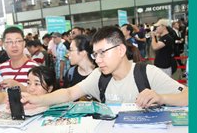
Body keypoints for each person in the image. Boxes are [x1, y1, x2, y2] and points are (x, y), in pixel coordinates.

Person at [22, 26, 189, 108]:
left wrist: (161, 98)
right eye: (95, 54)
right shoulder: (99, 76)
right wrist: (38, 100)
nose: (98, 60)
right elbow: (69, 93)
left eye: (103, 53)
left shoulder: (147, 73)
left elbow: (188, 96)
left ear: (121, 50)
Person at [0, 26, 39, 91]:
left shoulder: (35, 68)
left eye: (18, 41)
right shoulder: (1, 68)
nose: (14, 45)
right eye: (9, 42)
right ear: (4, 45)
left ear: (24, 44)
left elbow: (39, 94)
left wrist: (18, 86)